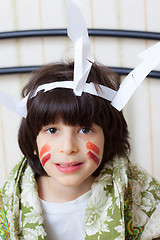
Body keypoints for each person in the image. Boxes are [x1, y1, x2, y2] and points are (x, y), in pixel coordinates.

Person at [0, 62, 160, 240]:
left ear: (108, 137)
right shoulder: (8, 203)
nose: (68, 148)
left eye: (85, 130)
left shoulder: (141, 194)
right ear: (32, 141)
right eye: (52, 130)